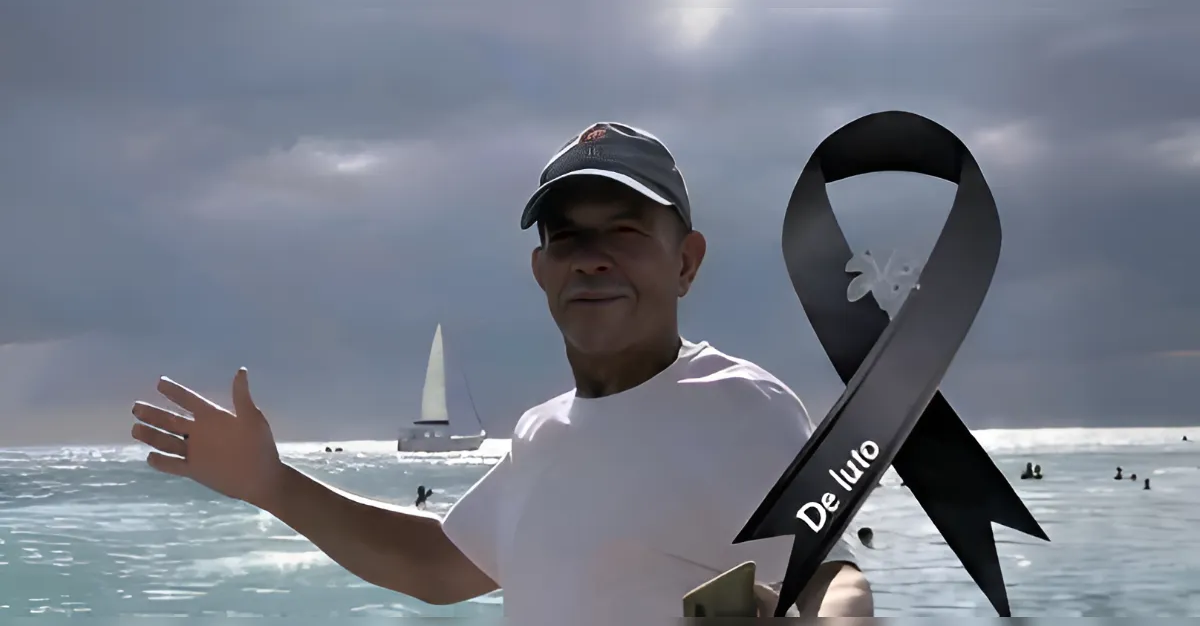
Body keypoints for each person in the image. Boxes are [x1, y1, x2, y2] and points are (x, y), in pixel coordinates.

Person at [128, 121, 872, 623]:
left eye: (625, 230)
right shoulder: (542, 434)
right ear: (541, 269)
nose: (592, 258)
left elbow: (832, 578)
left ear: (686, 261)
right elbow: (437, 565)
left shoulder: (740, 404)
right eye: (568, 238)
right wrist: (271, 484)